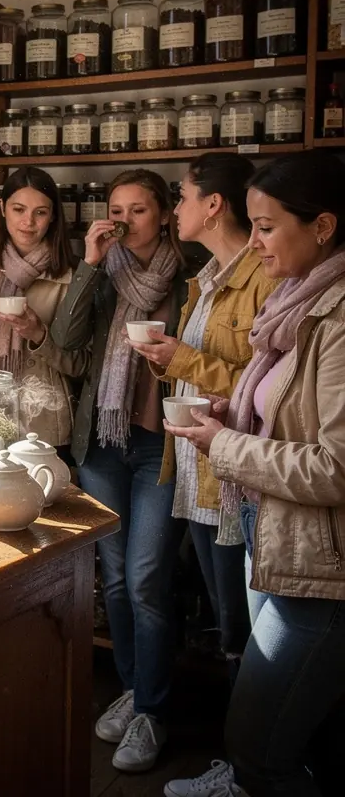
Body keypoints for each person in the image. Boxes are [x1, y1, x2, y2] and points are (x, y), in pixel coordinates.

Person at [164, 151, 345, 797]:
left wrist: (226, 446)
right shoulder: (298, 298)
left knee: (257, 744)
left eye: (266, 227)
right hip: (273, 527)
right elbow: (283, 408)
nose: (256, 242)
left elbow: (336, 467)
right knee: (289, 737)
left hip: (323, 569)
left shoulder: (339, 317)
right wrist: (231, 412)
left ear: (322, 226)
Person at [50, 168, 188, 773]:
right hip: (103, 444)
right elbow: (66, 336)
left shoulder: (190, 276)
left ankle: (154, 711)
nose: (126, 220)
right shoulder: (104, 273)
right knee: (113, 576)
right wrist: (87, 263)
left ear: (163, 214)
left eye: (138, 210)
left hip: (160, 448)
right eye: (117, 209)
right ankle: (134, 692)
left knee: (146, 580)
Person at [128, 155, 274, 692]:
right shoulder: (206, 279)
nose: (175, 210)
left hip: (232, 479)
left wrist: (182, 360)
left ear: (213, 206)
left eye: (183, 197)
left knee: (244, 629)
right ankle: (241, 761)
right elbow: (200, 374)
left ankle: (250, 768)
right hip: (196, 471)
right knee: (229, 624)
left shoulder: (263, 279)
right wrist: (168, 360)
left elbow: (267, 387)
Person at [0, 166, 85, 446]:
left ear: (53, 216)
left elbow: (82, 364)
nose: (28, 222)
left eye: (40, 212)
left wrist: (39, 335)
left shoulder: (73, 275)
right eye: (18, 209)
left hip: (45, 421)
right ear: (2, 208)